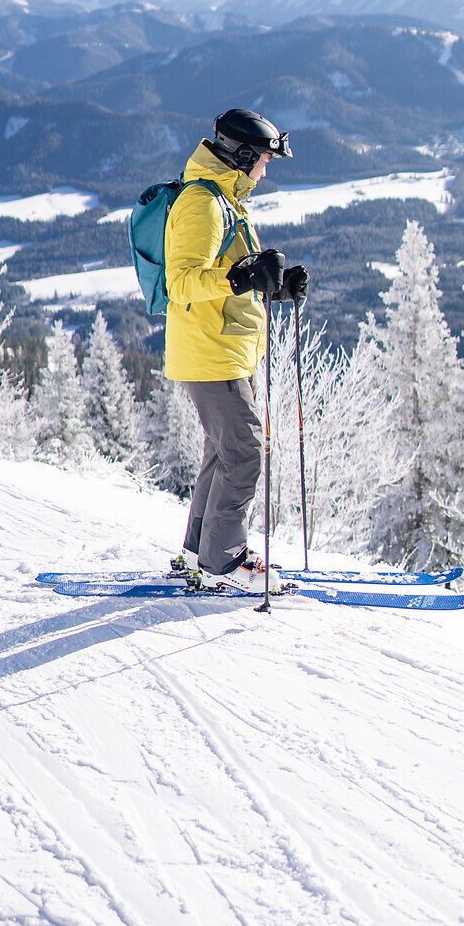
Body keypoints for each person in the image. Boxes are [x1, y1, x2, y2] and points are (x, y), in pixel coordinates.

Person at [164, 108, 309, 593]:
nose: (265, 170)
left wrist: (274, 285)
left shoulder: (227, 201)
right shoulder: (202, 204)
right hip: (212, 353)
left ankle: (198, 553)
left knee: (222, 454)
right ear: (243, 156)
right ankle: (224, 562)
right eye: (264, 160)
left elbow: (231, 275)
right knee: (245, 454)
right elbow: (182, 281)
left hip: (225, 348)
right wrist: (244, 276)